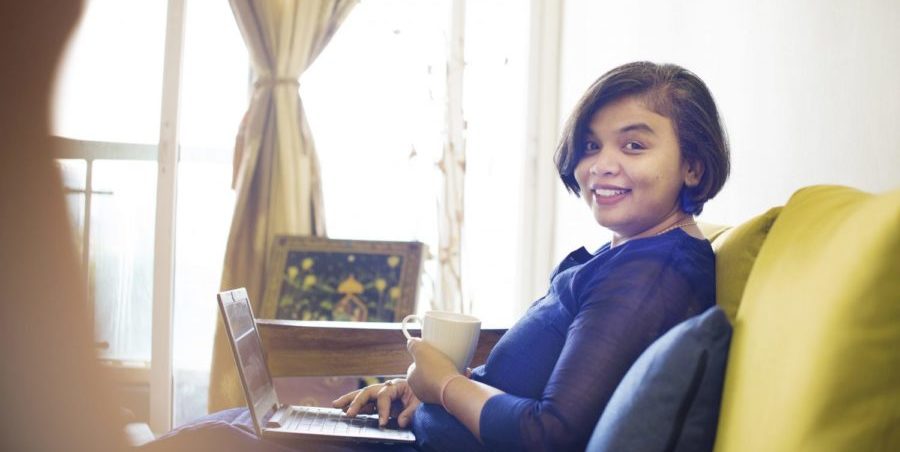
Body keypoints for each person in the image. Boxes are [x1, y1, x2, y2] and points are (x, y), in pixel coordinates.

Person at [332, 61, 730, 451]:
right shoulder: (625, 257)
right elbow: (530, 390)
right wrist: (422, 392)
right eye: (591, 145)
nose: (600, 166)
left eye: (634, 145)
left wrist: (446, 386)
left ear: (692, 166)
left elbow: (550, 434)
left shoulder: (650, 273)